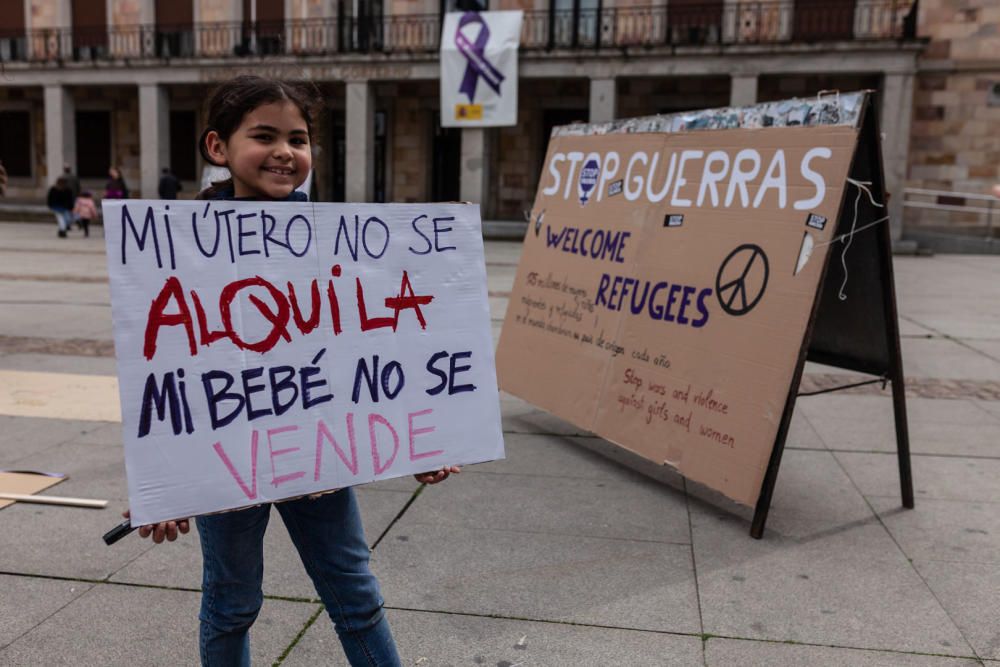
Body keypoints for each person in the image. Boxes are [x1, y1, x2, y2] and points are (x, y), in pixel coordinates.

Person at [126, 75, 460, 667]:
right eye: (264, 135)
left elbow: (377, 353)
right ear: (217, 148)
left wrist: (422, 437)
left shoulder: (343, 244)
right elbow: (165, 375)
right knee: (231, 605)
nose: (285, 151)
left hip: (318, 458)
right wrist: (162, 480)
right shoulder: (175, 247)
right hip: (226, 462)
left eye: (299, 139)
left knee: (357, 597)